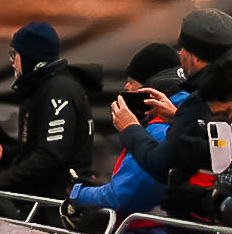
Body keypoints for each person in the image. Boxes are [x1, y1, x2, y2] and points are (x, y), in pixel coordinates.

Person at [111, 8, 232, 224]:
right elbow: (230, 155)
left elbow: (159, 165)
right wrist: (178, 119)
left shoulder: (208, 100)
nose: (226, 120)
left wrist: (130, 128)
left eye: (227, 115)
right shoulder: (222, 106)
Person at [0, 22, 94, 215]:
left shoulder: (58, 90)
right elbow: (42, 148)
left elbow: (51, 156)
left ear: (32, 57)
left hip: (55, 207)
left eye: (15, 54)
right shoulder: (45, 89)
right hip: (43, 204)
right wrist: (5, 153)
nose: (11, 61)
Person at [69, 43, 187, 221]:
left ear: (150, 88)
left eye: (132, 81)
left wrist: (78, 194)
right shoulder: (190, 117)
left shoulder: (158, 130)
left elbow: (123, 196)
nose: (127, 87)